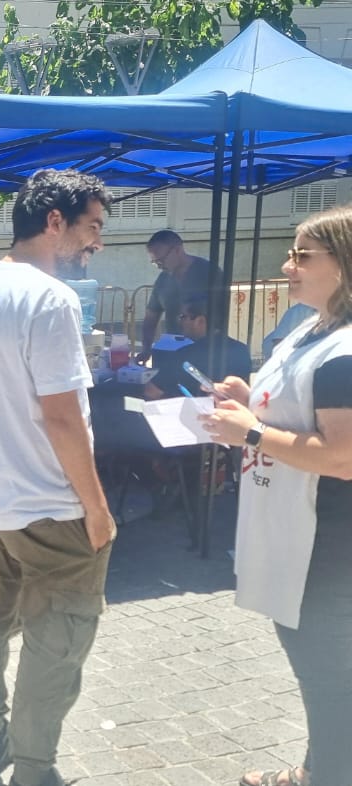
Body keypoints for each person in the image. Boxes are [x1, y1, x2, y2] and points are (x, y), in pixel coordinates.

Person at [0, 169, 117, 786]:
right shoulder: (52, 298)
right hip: (51, 502)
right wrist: (96, 507)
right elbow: (63, 417)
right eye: (91, 226)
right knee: (58, 639)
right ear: (55, 221)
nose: (97, 241)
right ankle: (34, 768)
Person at [201, 204, 352, 786]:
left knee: (329, 679)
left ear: (343, 264)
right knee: (330, 675)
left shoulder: (344, 350)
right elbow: (297, 402)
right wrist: (250, 398)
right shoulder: (313, 326)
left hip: (326, 541)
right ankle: (317, 769)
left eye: (302, 256)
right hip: (296, 529)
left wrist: (252, 432)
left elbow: (341, 457)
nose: (287, 266)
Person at [145, 295, 253, 399]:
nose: (180, 322)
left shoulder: (184, 355)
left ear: (200, 321)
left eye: (183, 317)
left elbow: (153, 392)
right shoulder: (241, 350)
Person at [138, 229, 223, 361]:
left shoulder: (209, 273)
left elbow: (224, 312)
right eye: (155, 263)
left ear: (177, 250)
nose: (160, 266)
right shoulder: (163, 280)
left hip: (206, 351)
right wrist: (146, 349)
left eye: (161, 260)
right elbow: (151, 317)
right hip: (173, 349)